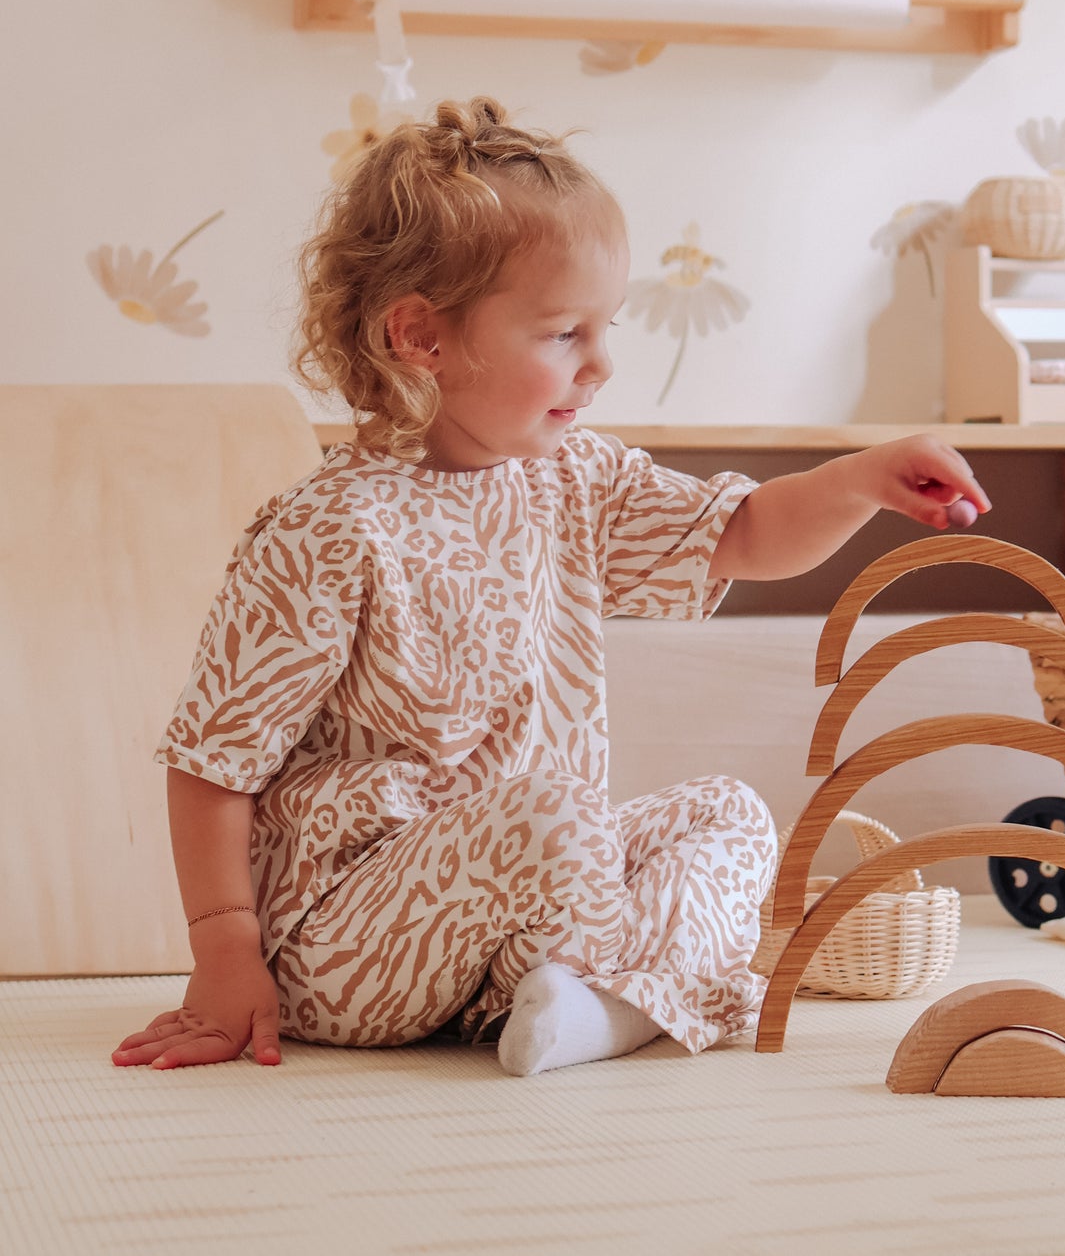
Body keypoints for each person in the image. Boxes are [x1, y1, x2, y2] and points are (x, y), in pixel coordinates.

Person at [112, 97, 990, 1079]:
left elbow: (740, 536)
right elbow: (212, 758)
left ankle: (592, 1005)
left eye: (603, 327)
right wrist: (226, 950)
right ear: (421, 338)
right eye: (564, 332)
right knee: (558, 815)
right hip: (349, 940)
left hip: (531, 899)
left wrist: (862, 480)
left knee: (729, 815)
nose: (602, 363)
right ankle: (615, 999)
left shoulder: (579, 482)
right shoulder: (331, 530)